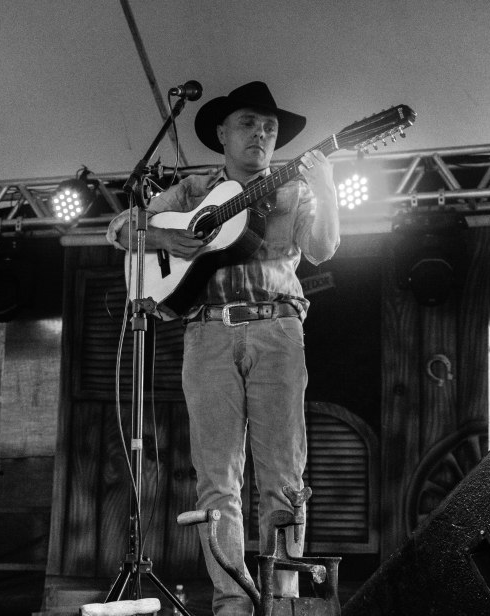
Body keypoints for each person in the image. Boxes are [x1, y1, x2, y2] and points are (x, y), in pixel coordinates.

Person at [106, 81, 340, 615]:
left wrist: (325, 189)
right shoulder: (192, 192)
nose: (261, 134)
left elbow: (323, 249)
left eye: (270, 128)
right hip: (207, 332)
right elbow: (120, 228)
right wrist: (165, 238)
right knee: (216, 480)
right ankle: (232, 603)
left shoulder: (294, 188)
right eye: (248, 124)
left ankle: (281, 603)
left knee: (284, 477)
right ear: (222, 133)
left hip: (278, 331)